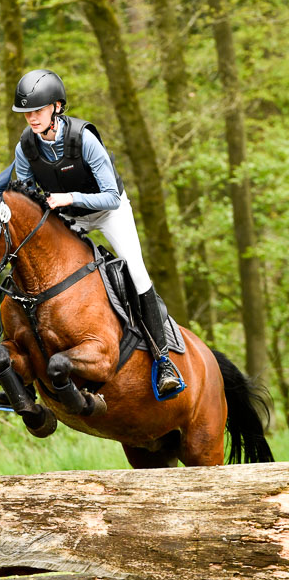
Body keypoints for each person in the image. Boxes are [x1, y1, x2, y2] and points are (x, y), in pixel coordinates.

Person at [13, 68, 183, 397]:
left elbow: (111, 196)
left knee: (136, 272)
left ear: (56, 107)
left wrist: (69, 197)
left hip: (108, 213)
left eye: (38, 110)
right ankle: (20, 369)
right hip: (68, 217)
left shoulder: (84, 139)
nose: (32, 118)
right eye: (27, 112)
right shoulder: (26, 147)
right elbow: (26, 195)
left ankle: (163, 361)